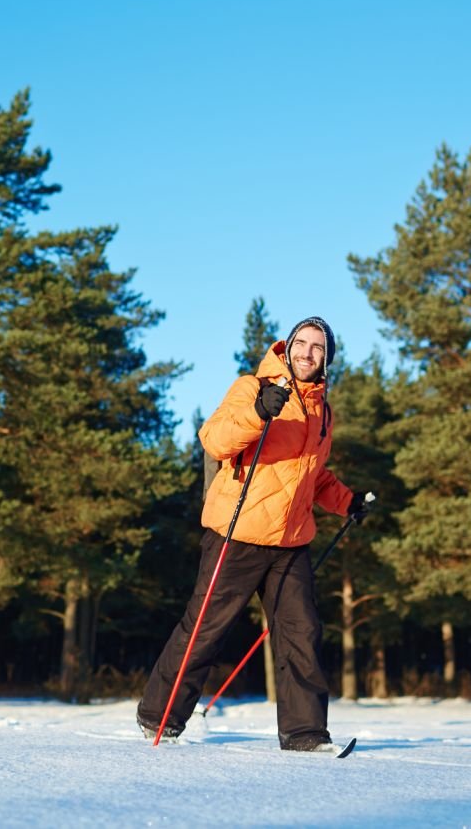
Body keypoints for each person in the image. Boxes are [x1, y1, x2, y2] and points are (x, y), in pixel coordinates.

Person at [136, 316, 371, 752]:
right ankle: (160, 717)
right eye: (301, 343)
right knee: (206, 627)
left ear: (327, 359)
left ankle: (305, 734)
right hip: (238, 532)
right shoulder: (253, 387)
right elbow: (215, 440)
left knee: (302, 634)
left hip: (290, 541)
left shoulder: (323, 410)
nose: (307, 353)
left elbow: (312, 476)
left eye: (317, 348)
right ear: (288, 347)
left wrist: (348, 501)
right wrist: (260, 411)